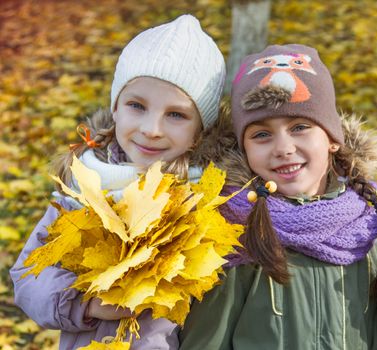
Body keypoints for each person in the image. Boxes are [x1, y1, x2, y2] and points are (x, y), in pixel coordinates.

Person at [179, 44, 377, 349]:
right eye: (262, 135)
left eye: (300, 127)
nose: (283, 147)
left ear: (332, 138)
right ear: (245, 150)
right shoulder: (236, 231)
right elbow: (205, 341)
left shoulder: (369, 222)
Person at [10, 14, 225, 349]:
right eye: (137, 105)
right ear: (116, 108)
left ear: (201, 130)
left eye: (176, 115)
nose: (152, 128)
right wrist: (86, 305)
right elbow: (29, 276)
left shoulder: (208, 203)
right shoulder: (83, 190)